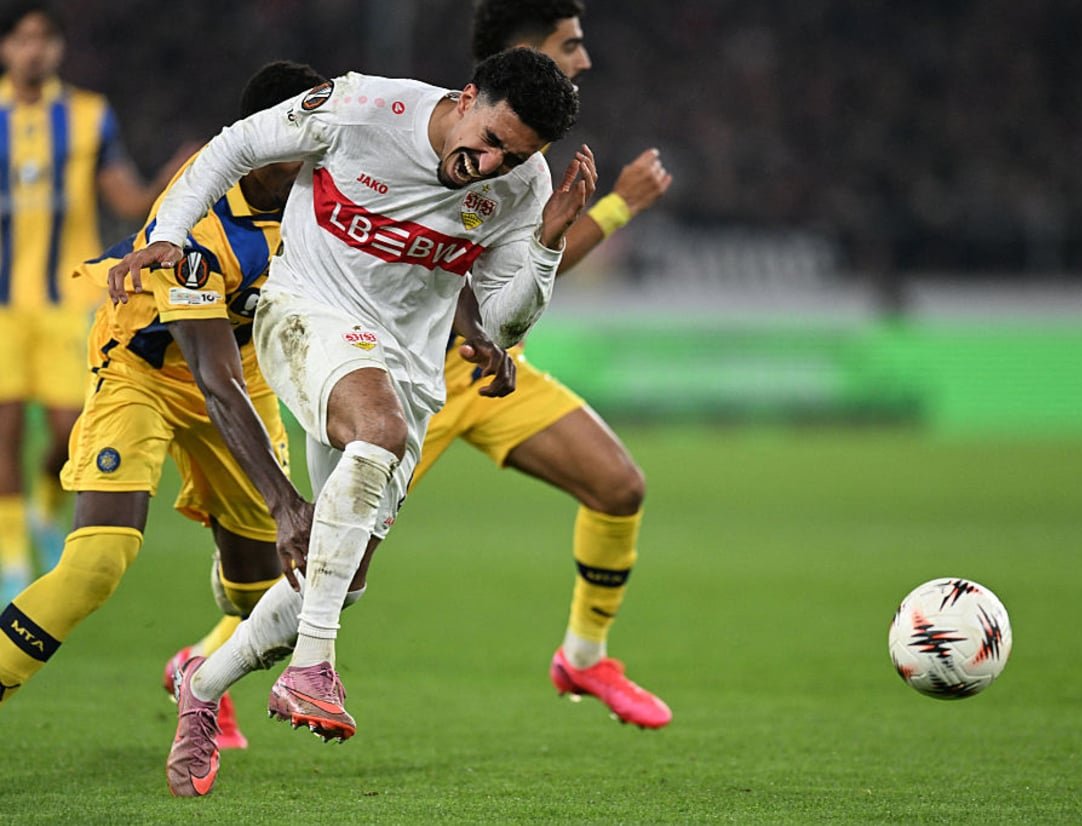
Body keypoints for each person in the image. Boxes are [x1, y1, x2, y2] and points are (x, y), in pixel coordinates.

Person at [108, 47, 590, 796]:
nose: (492, 165)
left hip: (409, 370)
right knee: (379, 432)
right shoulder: (365, 108)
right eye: (492, 140)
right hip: (307, 313)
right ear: (466, 97)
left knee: (339, 573)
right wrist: (170, 228)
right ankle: (312, 667)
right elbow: (235, 145)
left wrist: (547, 245)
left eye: (516, 155)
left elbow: (499, 324)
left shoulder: (523, 186)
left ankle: (202, 685)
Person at [0, 63, 336, 733]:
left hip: (244, 373)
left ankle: (196, 666)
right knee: (97, 562)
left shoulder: (326, 198)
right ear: (263, 135)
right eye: (304, 138)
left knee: (262, 595)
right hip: (146, 371)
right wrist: (284, 501)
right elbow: (211, 376)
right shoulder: (199, 217)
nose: (319, 154)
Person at [415, 0, 674, 727]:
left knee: (617, 487)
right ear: (529, 49)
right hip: (414, 375)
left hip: (489, 371)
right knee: (327, 558)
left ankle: (584, 658)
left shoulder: (525, 147)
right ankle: (207, 662)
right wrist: (619, 207)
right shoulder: (465, 142)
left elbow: (528, 274)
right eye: (571, 43)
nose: (584, 58)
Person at [0, 2, 192, 600]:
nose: (34, 50)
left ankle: (47, 498)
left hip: (67, 301)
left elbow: (128, 201)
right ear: (6, 47)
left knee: (69, 428)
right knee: (4, 431)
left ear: (59, 48)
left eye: (45, 38)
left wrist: (174, 176)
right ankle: (11, 563)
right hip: (2, 307)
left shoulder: (87, 116)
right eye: (22, 38)